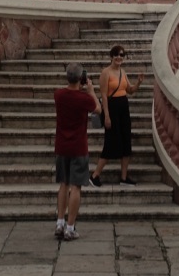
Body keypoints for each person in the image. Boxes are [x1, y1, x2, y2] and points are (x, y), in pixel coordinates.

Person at [54, 63, 101, 241]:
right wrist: (91, 90)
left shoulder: (58, 94)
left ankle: (59, 223)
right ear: (81, 78)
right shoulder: (84, 99)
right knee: (76, 187)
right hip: (78, 146)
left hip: (61, 145)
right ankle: (70, 227)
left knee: (63, 184)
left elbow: (67, 93)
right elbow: (98, 109)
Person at [89, 45, 143, 187]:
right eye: (117, 55)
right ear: (111, 56)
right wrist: (107, 116)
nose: (119, 57)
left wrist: (138, 82)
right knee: (111, 143)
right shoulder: (105, 72)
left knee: (126, 143)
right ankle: (95, 175)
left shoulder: (123, 72)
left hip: (124, 108)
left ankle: (124, 178)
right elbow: (104, 96)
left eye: (122, 55)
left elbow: (130, 90)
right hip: (112, 109)